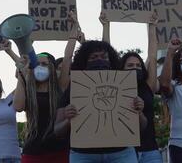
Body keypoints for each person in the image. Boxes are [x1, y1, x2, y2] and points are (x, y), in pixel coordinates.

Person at [55, 34, 145, 162]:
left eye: (104, 57)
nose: (100, 60)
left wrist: (139, 112)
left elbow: (142, 126)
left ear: (111, 60)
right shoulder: (74, 88)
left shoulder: (124, 85)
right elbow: (57, 130)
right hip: (84, 155)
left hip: (121, 154)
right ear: (84, 61)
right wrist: (69, 121)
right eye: (94, 57)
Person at [13, 11, 84, 163]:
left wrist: (74, 26)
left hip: (59, 151)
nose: (41, 67)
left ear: (52, 68)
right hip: (32, 152)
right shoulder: (28, 86)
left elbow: (67, 57)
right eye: (38, 64)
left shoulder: (60, 86)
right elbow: (18, 107)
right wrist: (21, 75)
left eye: (45, 64)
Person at [113, 12, 163, 163]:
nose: (135, 68)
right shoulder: (115, 86)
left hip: (150, 151)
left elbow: (153, 56)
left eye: (138, 65)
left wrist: (152, 26)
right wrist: (106, 25)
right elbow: (109, 57)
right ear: (122, 68)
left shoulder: (148, 86)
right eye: (130, 65)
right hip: (123, 152)